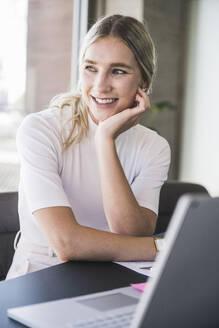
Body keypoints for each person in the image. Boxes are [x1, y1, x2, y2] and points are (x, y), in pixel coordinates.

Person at [6, 14, 170, 279]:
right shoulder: (40, 129)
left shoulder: (154, 147)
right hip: (39, 277)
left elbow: (130, 234)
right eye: (90, 68)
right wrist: (161, 247)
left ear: (143, 83)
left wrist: (105, 140)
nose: (100, 85)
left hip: (108, 276)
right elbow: (66, 244)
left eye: (118, 71)